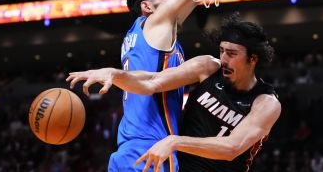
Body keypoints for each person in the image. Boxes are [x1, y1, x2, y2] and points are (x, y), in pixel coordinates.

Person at [80, 0, 251, 170]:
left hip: (128, 148)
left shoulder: (141, 33)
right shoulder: (157, 22)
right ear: (147, 7)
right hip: (150, 149)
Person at [67, 14, 282, 171]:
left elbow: (232, 148)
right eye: (222, 51)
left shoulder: (266, 103)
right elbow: (153, 81)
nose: (224, 59)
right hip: (178, 167)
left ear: (253, 59)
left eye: (232, 53)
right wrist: (115, 75)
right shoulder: (207, 67)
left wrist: (175, 141)